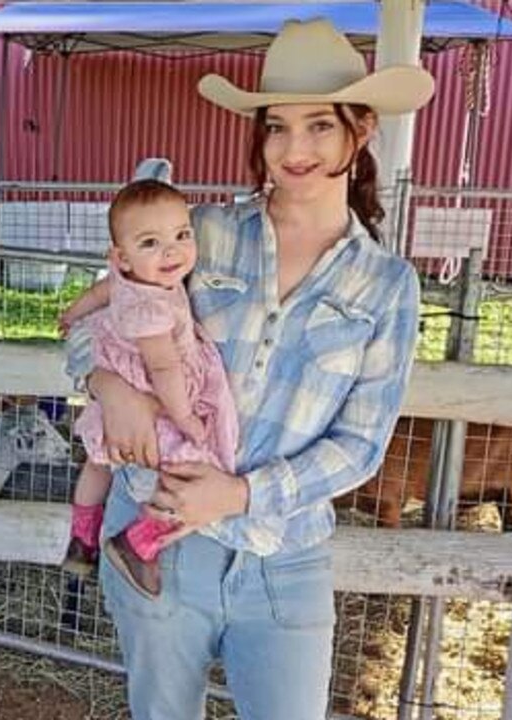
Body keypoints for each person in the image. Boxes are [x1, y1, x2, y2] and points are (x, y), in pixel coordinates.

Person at [64, 18, 433, 719]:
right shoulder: (198, 233)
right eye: (277, 127)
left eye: (320, 125)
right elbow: (91, 330)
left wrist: (237, 495)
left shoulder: (386, 286)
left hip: (283, 557)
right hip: (156, 539)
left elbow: (360, 446)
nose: (295, 149)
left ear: (361, 130)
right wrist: (111, 389)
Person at [57, 179, 238, 601]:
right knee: (190, 466)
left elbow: (100, 291)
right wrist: (185, 418)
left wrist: (73, 312)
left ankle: (81, 536)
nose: (172, 251)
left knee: (98, 463)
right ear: (121, 256)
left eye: (182, 235)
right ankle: (139, 543)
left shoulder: (129, 278)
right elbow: (163, 367)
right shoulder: (153, 309)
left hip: (117, 384)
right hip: (154, 399)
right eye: (151, 242)